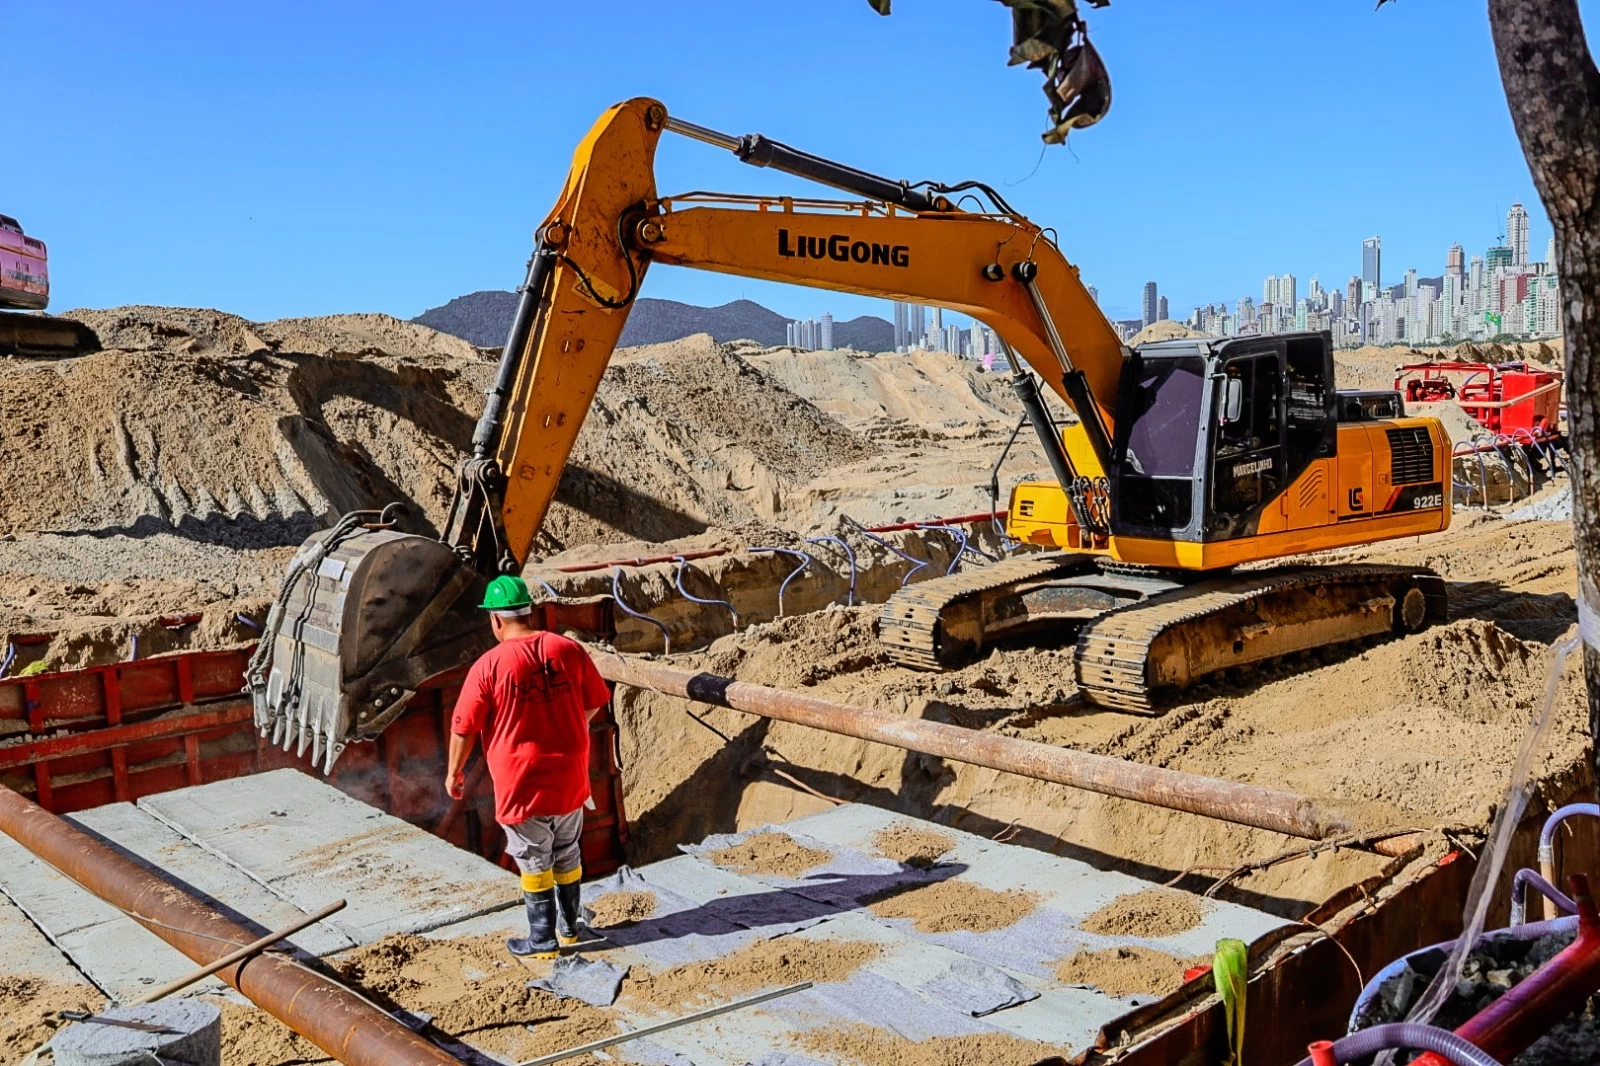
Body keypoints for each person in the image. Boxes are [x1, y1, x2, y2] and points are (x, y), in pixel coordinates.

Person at [445, 574, 611, 959]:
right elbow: (597, 698)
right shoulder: (567, 649)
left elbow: (463, 727)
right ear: (529, 612)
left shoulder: (489, 666)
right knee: (568, 850)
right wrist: (575, 726)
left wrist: (454, 772)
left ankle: (542, 941)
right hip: (570, 777)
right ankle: (570, 928)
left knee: (534, 858)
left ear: (496, 620)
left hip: (522, 784)